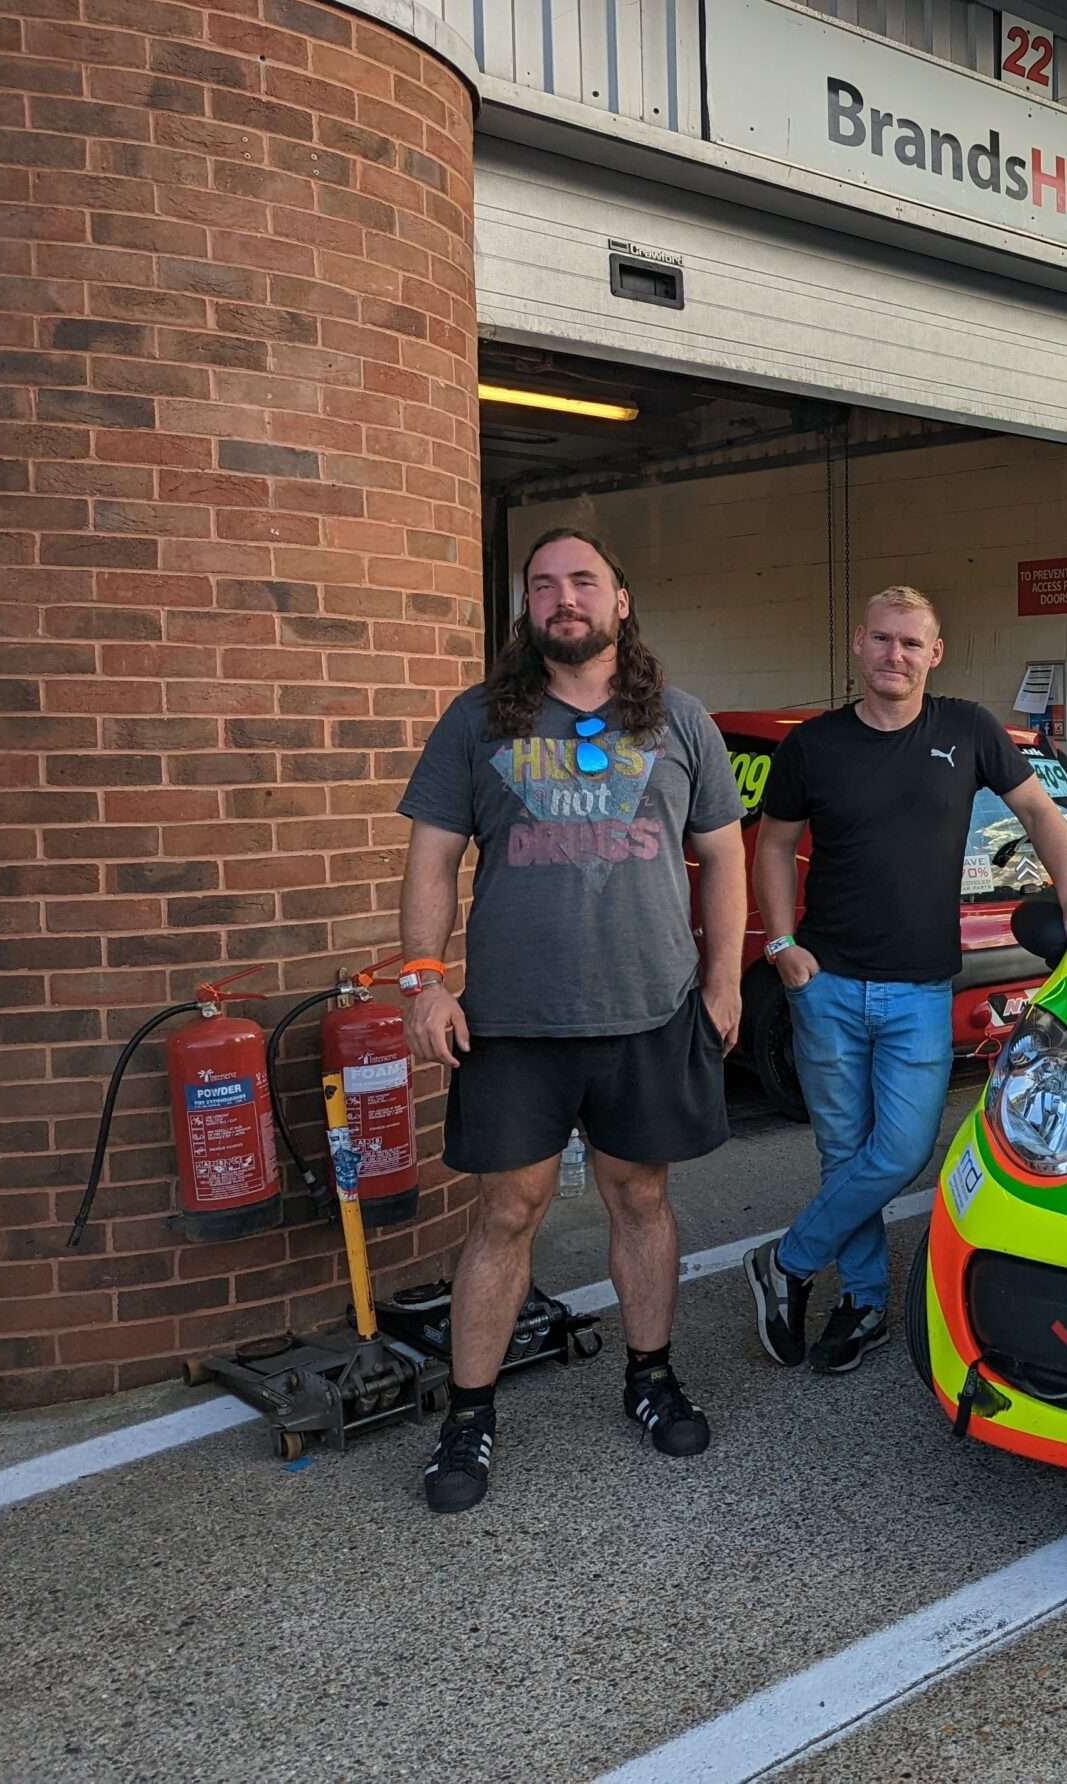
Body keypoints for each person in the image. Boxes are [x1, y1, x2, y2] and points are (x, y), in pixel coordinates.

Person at [397, 527, 748, 1515]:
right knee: (506, 1210)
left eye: (583, 579)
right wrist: (424, 979)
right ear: (527, 605)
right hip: (513, 1020)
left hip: (649, 1010)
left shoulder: (681, 722)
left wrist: (724, 983)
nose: (563, 596)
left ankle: (650, 1374)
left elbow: (722, 857)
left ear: (620, 599)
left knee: (640, 1197)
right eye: (543, 583)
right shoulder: (476, 721)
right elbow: (430, 859)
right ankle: (468, 1412)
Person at [743, 587, 1067, 1373]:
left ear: (935, 652)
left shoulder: (967, 729)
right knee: (843, 1152)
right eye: (882, 640)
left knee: (903, 1149)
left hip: (921, 989)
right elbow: (774, 845)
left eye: (911, 644)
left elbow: (1040, 813)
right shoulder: (815, 746)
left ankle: (785, 1261)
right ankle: (863, 1306)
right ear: (859, 644)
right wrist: (782, 944)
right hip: (826, 985)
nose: (896, 656)